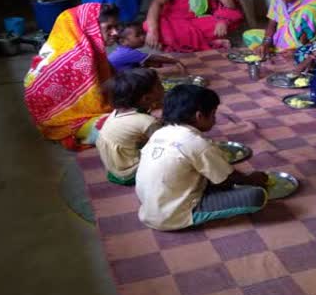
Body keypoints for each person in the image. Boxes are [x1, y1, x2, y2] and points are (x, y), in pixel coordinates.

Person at [135, 85, 269, 231]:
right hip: (173, 216)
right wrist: (252, 179)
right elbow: (227, 178)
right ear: (199, 116)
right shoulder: (198, 144)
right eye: (213, 114)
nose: (215, 119)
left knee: (211, 176)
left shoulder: (160, 133)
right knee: (257, 196)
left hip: (149, 210)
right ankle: (193, 215)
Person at [24, 3, 120, 150]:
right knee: (122, 128)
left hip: (73, 113)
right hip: (63, 121)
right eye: (109, 27)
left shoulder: (86, 49)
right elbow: (94, 100)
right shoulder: (79, 58)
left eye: (116, 27)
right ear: (89, 28)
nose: (115, 33)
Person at [96, 68, 163, 185]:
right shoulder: (148, 122)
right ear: (146, 98)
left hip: (115, 168)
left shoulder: (117, 111)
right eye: (159, 85)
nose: (162, 87)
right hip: (128, 174)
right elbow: (164, 143)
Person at [242, 0, 316, 56]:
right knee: (249, 35)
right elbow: (272, 24)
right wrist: (266, 43)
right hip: (280, 37)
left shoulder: (312, 5)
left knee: (307, 12)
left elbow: (311, 33)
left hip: (298, 42)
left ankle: (298, 51)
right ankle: (277, 49)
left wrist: (298, 49)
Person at [109, 22, 186, 72]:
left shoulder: (123, 50)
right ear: (123, 41)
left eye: (143, 33)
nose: (143, 37)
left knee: (146, 63)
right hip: (118, 81)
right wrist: (175, 61)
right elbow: (154, 57)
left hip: (118, 75)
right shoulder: (128, 53)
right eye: (138, 35)